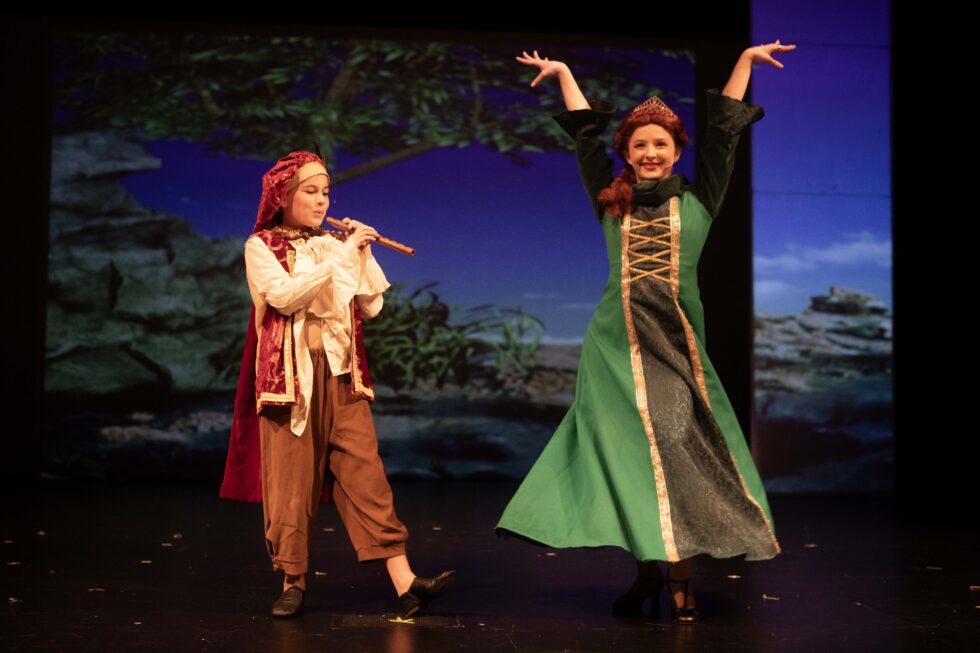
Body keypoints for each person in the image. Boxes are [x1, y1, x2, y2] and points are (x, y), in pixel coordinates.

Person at [495, 43, 795, 624]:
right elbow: (585, 139)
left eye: (660, 144)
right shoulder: (611, 203)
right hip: (615, 349)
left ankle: (678, 573)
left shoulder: (700, 199)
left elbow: (724, 137)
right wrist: (564, 74)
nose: (650, 153)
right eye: (639, 146)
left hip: (676, 351)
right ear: (627, 155)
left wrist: (743, 62)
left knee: (677, 452)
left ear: (677, 151)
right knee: (630, 458)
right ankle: (648, 573)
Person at [220, 150, 454, 618]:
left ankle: (406, 583)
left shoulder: (333, 244)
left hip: (342, 375)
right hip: (291, 383)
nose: (321, 201)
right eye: (310, 191)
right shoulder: (261, 246)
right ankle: (293, 581)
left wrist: (361, 253)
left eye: (325, 192)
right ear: (283, 196)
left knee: (366, 477)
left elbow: (370, 306)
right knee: (292, 484)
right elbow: (285, 297)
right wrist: (344, 255)